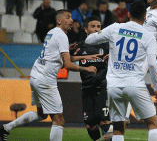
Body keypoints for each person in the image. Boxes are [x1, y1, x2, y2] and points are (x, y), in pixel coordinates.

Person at [0, 10, 97, 141]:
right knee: (59, 120)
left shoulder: (52, 33)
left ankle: (6, 128)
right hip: (45, 80)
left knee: (41, 115)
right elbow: (66, 65)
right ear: (59, 20)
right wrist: (87, 69)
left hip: (35, 76)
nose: (71, 20)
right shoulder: (62, 36)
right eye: (68, 17)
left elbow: (58, 58)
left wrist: (80, 55)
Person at [85, 0, 157, 141]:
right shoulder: (148, 35)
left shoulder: (115, 28)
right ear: (145, 17)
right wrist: (156, 87)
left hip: (114, 86)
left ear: (128, 14)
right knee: (152, 124)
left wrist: (103, 38)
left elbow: (89, 41)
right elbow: (152, 64)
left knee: (119, 129)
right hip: (135, 84)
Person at [73, 16, 113, 141]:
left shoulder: (107, 46)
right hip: (86, 88)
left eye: (99, 27)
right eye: (93, 26)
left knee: (105, 121)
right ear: (86, 29)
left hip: (102, 88)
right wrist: (75, 56)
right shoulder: (79, 46)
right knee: (90, 125)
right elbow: (66, 61)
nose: (96, 29)